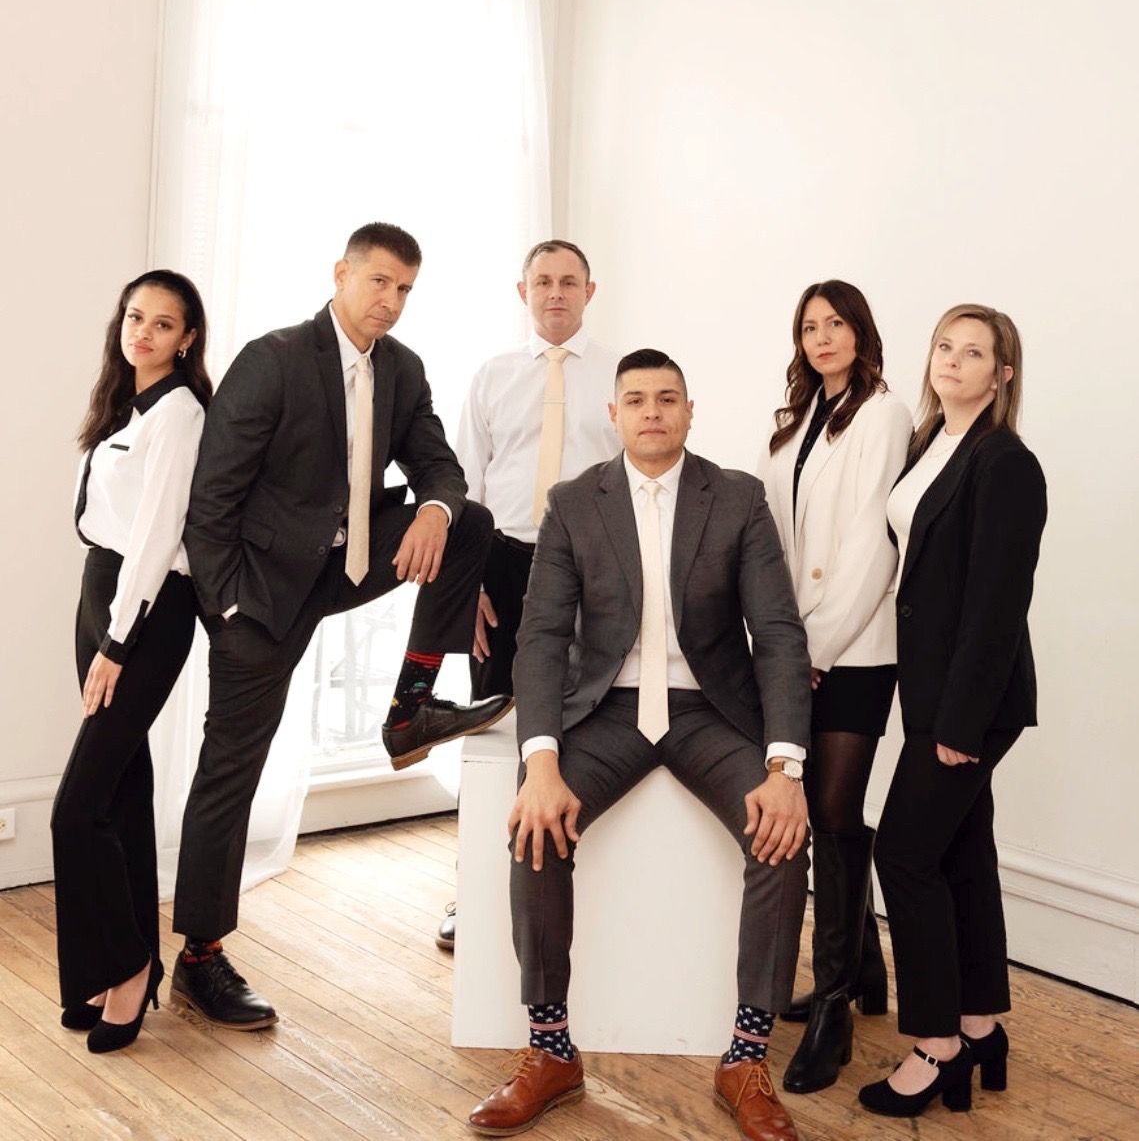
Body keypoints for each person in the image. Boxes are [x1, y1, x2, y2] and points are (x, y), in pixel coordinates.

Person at [172, 222, 510, 1029]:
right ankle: (201, 955)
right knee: (232, 767)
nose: (391, 301)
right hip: (260, 591)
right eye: (379, 282)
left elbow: (440, 465)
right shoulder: (275, 358)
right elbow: (211, 497)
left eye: (405, 289)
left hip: (346, 562)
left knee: (468, 522)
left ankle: (410, 707)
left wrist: (432, 508)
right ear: (342, 274)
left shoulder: (403, 369)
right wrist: (226, 607)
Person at [469, 349, 812, 1141]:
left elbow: (778, 633)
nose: (651, 411)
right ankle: (549, 1049)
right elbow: (541, 635)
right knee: (533, 828)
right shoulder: (573, 503)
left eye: (666, 398)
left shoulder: (736, 497)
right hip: (607, 710)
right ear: (613, 415)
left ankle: (745, 1057)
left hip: (709, 710)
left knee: (780, 835)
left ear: (689, 411)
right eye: (635, 399)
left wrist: (784, 764)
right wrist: (540, 761)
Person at [858, 305, 1046, 1117]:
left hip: (970, 700)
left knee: (902, 854)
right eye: (944, 346)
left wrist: (959, 724)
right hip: (929, 689)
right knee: (961, 850)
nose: (952, 361)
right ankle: (978, 1026)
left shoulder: (1005, 461)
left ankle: (935, 1044)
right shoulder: (930, 441)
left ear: (1001, 374)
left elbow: (998, 603)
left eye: (974, 353)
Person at [435, 240, 620, 949]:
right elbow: (464, 484)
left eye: (569, 281)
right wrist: (466, 585)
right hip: (503, 562)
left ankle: (557, 877)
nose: (555, 293)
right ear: (523, 291)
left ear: (589, 291)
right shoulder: (493, 375)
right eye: (542, 281)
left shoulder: (618, 375)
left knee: (580, 719)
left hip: (589, 563)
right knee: (492, 723)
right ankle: (475, 889)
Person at [755, 281, 911, 1093]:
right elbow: (771, 536)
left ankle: (833, 1005)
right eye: (809, 327)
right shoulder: (794, 418)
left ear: (860, 332)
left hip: (854, 644)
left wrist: (812, 649)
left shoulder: (882, 413)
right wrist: (782, 644)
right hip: (798, 642)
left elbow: (870, 547)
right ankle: (866, 968)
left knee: (831, 811)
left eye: (835, 324)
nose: (821, 337)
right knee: (827, 811)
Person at [52, 270, 212, 1053]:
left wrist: (118, 641)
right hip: (100, 589)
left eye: (162, 323)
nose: (142, 333)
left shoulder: (179, 412)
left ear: (187, 338)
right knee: (119, 789)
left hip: (143, 607)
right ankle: (117, 964)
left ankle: (126, 965)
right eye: (134, 317)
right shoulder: (126, 402)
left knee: (75, 807)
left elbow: (156, 535)